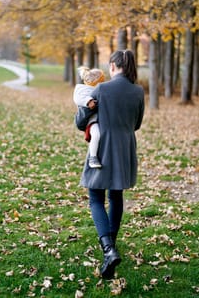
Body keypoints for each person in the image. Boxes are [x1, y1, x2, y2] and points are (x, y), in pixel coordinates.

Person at [77, 50, 145, 279]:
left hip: (103, 147)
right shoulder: (138, 91)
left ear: (114, 67)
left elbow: (80, 121)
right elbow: (137, 124)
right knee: (116, 197)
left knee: (96, 197)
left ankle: (108, 249)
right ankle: (111, 248)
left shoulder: (102, 89)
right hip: (125, 148)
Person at [73, 66, 105, 168]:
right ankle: (93, 158)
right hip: (91, 120)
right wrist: (88, 101)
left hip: (100, 119)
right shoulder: (81, 89)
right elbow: (78, 99)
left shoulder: (100, 90)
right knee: (96, 134)